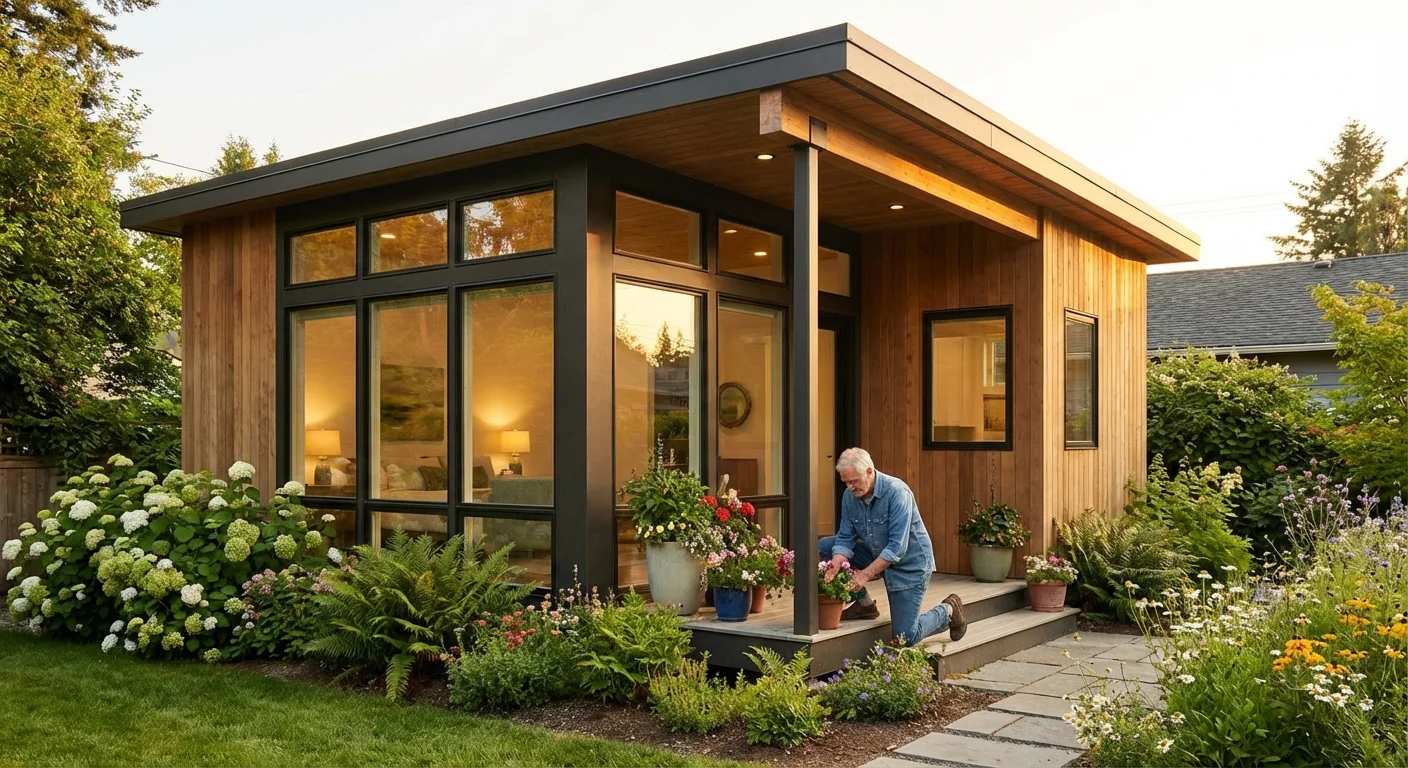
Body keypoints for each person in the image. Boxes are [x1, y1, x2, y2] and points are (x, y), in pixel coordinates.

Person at [818, 447, 967, 646]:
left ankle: (948, 610)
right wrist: (837, 562)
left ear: (869, 471)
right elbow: (845, 536)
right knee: (826, 546)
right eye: (845, 482)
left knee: (905, 637)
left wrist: (864, 574)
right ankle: (864, 605)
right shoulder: (849, 496)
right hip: (876, 552)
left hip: (909, 566)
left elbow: (897, 548)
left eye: (854, 481)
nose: (850, 487)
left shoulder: (897, 492)